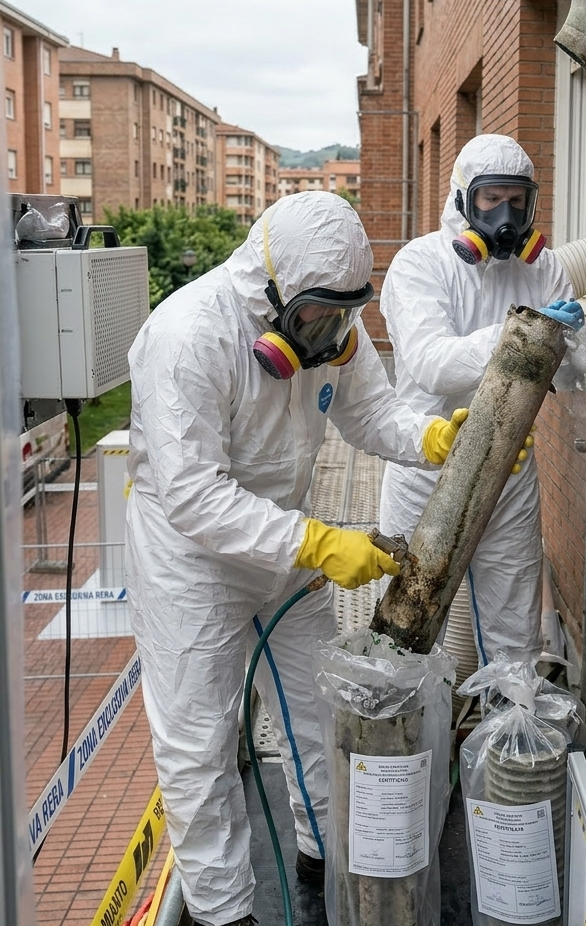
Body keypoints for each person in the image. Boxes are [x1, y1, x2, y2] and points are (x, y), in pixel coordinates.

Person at [124, 190, 467, 926]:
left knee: (318, 708)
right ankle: (223, 911)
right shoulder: (189, 335)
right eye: (317, 317)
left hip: (283, 541)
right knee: (201, 743)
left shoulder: (332, 324)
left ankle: (321, 855)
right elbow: (191, 494)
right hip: (191, 562)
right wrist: (317, 543)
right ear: (272, 294)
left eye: (345, 316)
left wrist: (433, 439)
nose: (331, 336)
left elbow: (373, 413)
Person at [379, 133, 584, 668]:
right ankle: (408, 726)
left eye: (517, 200)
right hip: (427, 468)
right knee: (407, 630)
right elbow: (431, 364)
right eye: (492, 199)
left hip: (510, 470)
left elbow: (570, 376)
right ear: (462, 199)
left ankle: (509, 722)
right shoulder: (420, 264)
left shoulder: (544, 269)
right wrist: (526, 334)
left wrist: (578, 344)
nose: (505, 215)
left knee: (514, 636)